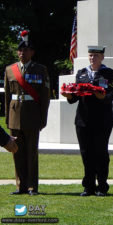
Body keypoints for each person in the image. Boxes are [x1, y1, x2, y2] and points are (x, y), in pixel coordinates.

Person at [62, 46, 113, 197]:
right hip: (83, 120)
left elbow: (111, 94)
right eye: (91, 55)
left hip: (102, 120)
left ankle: (102, 186)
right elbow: (74, 98)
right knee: (86, 154)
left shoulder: (109, 73)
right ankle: (88, 187)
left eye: (96, 55)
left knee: (101, 153)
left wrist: (102, 97)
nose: (92, 58)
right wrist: (68, 95)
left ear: (102, 57)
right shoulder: (82, 73)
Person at [4, 31, 50, 195]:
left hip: (32, 116)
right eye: (20, 51)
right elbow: (8, 97)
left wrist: (43, 119)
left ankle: (31, 186)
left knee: (31, 153)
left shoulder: (40, 69)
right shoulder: (10, 70)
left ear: (32, 52)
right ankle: (20, 185)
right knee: (17, 151)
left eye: (27, 50)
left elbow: (45, 97)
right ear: (17, 52)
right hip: (15, 116)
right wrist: (8, 118)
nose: (23, 53)